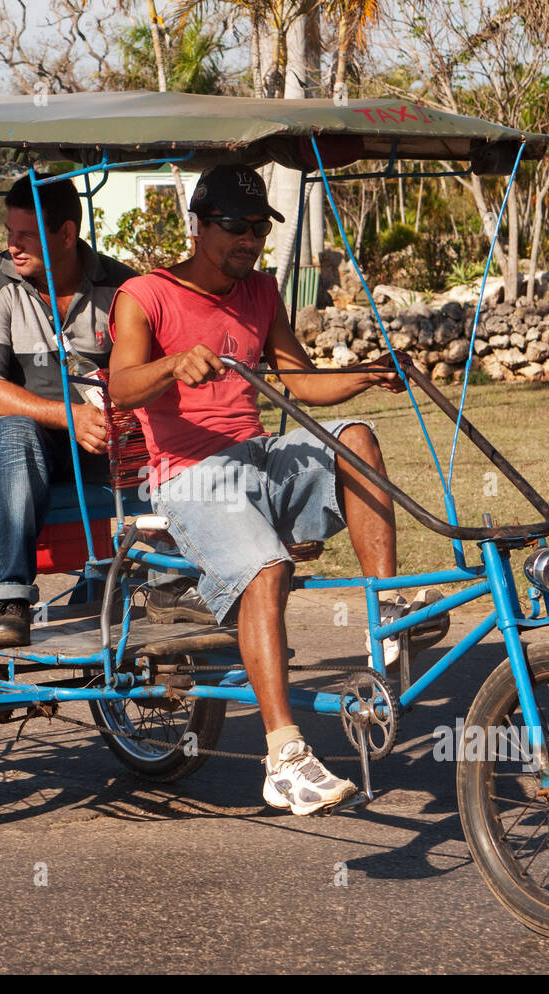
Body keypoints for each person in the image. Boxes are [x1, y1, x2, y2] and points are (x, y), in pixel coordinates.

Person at [107, 163, 410, 816]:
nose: (248, 240)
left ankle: (386, 622)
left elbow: (301, 384)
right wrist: (172, 364)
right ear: (198, 226)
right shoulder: (144, 296)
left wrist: (366, 374)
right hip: (190, 477)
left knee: (355, 436)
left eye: (258, 229)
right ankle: (285, 759)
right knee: (266, 568)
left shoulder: (262, 292)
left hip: (258, 462)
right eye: (235, 227)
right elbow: (120, 388)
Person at [0, 172, 211, 647]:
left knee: (179, 437)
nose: (13, 246)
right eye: (10, 234)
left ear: (67, 234)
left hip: (102, 439)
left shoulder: (124, 287)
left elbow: (153, 375)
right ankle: (9, 603)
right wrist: (69, 417)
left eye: (26, 235)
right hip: (1, 441)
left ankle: (170, 585)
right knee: (16, 435)